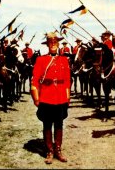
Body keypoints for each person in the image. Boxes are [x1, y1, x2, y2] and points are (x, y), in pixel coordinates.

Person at [31, 32, 71, 164]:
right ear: (47, 44)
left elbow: (67, 81)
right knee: (47, 124)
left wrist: (67, 99)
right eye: (50, 42)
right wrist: (36, 98)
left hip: (60, 97)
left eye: (55, 42)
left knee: (59, 124)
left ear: (58, 43)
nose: (53, 44)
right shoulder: (41, 60)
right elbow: (35, 80)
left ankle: (58, 150)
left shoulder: (64, 60)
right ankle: (49, 151)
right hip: (46, 97)